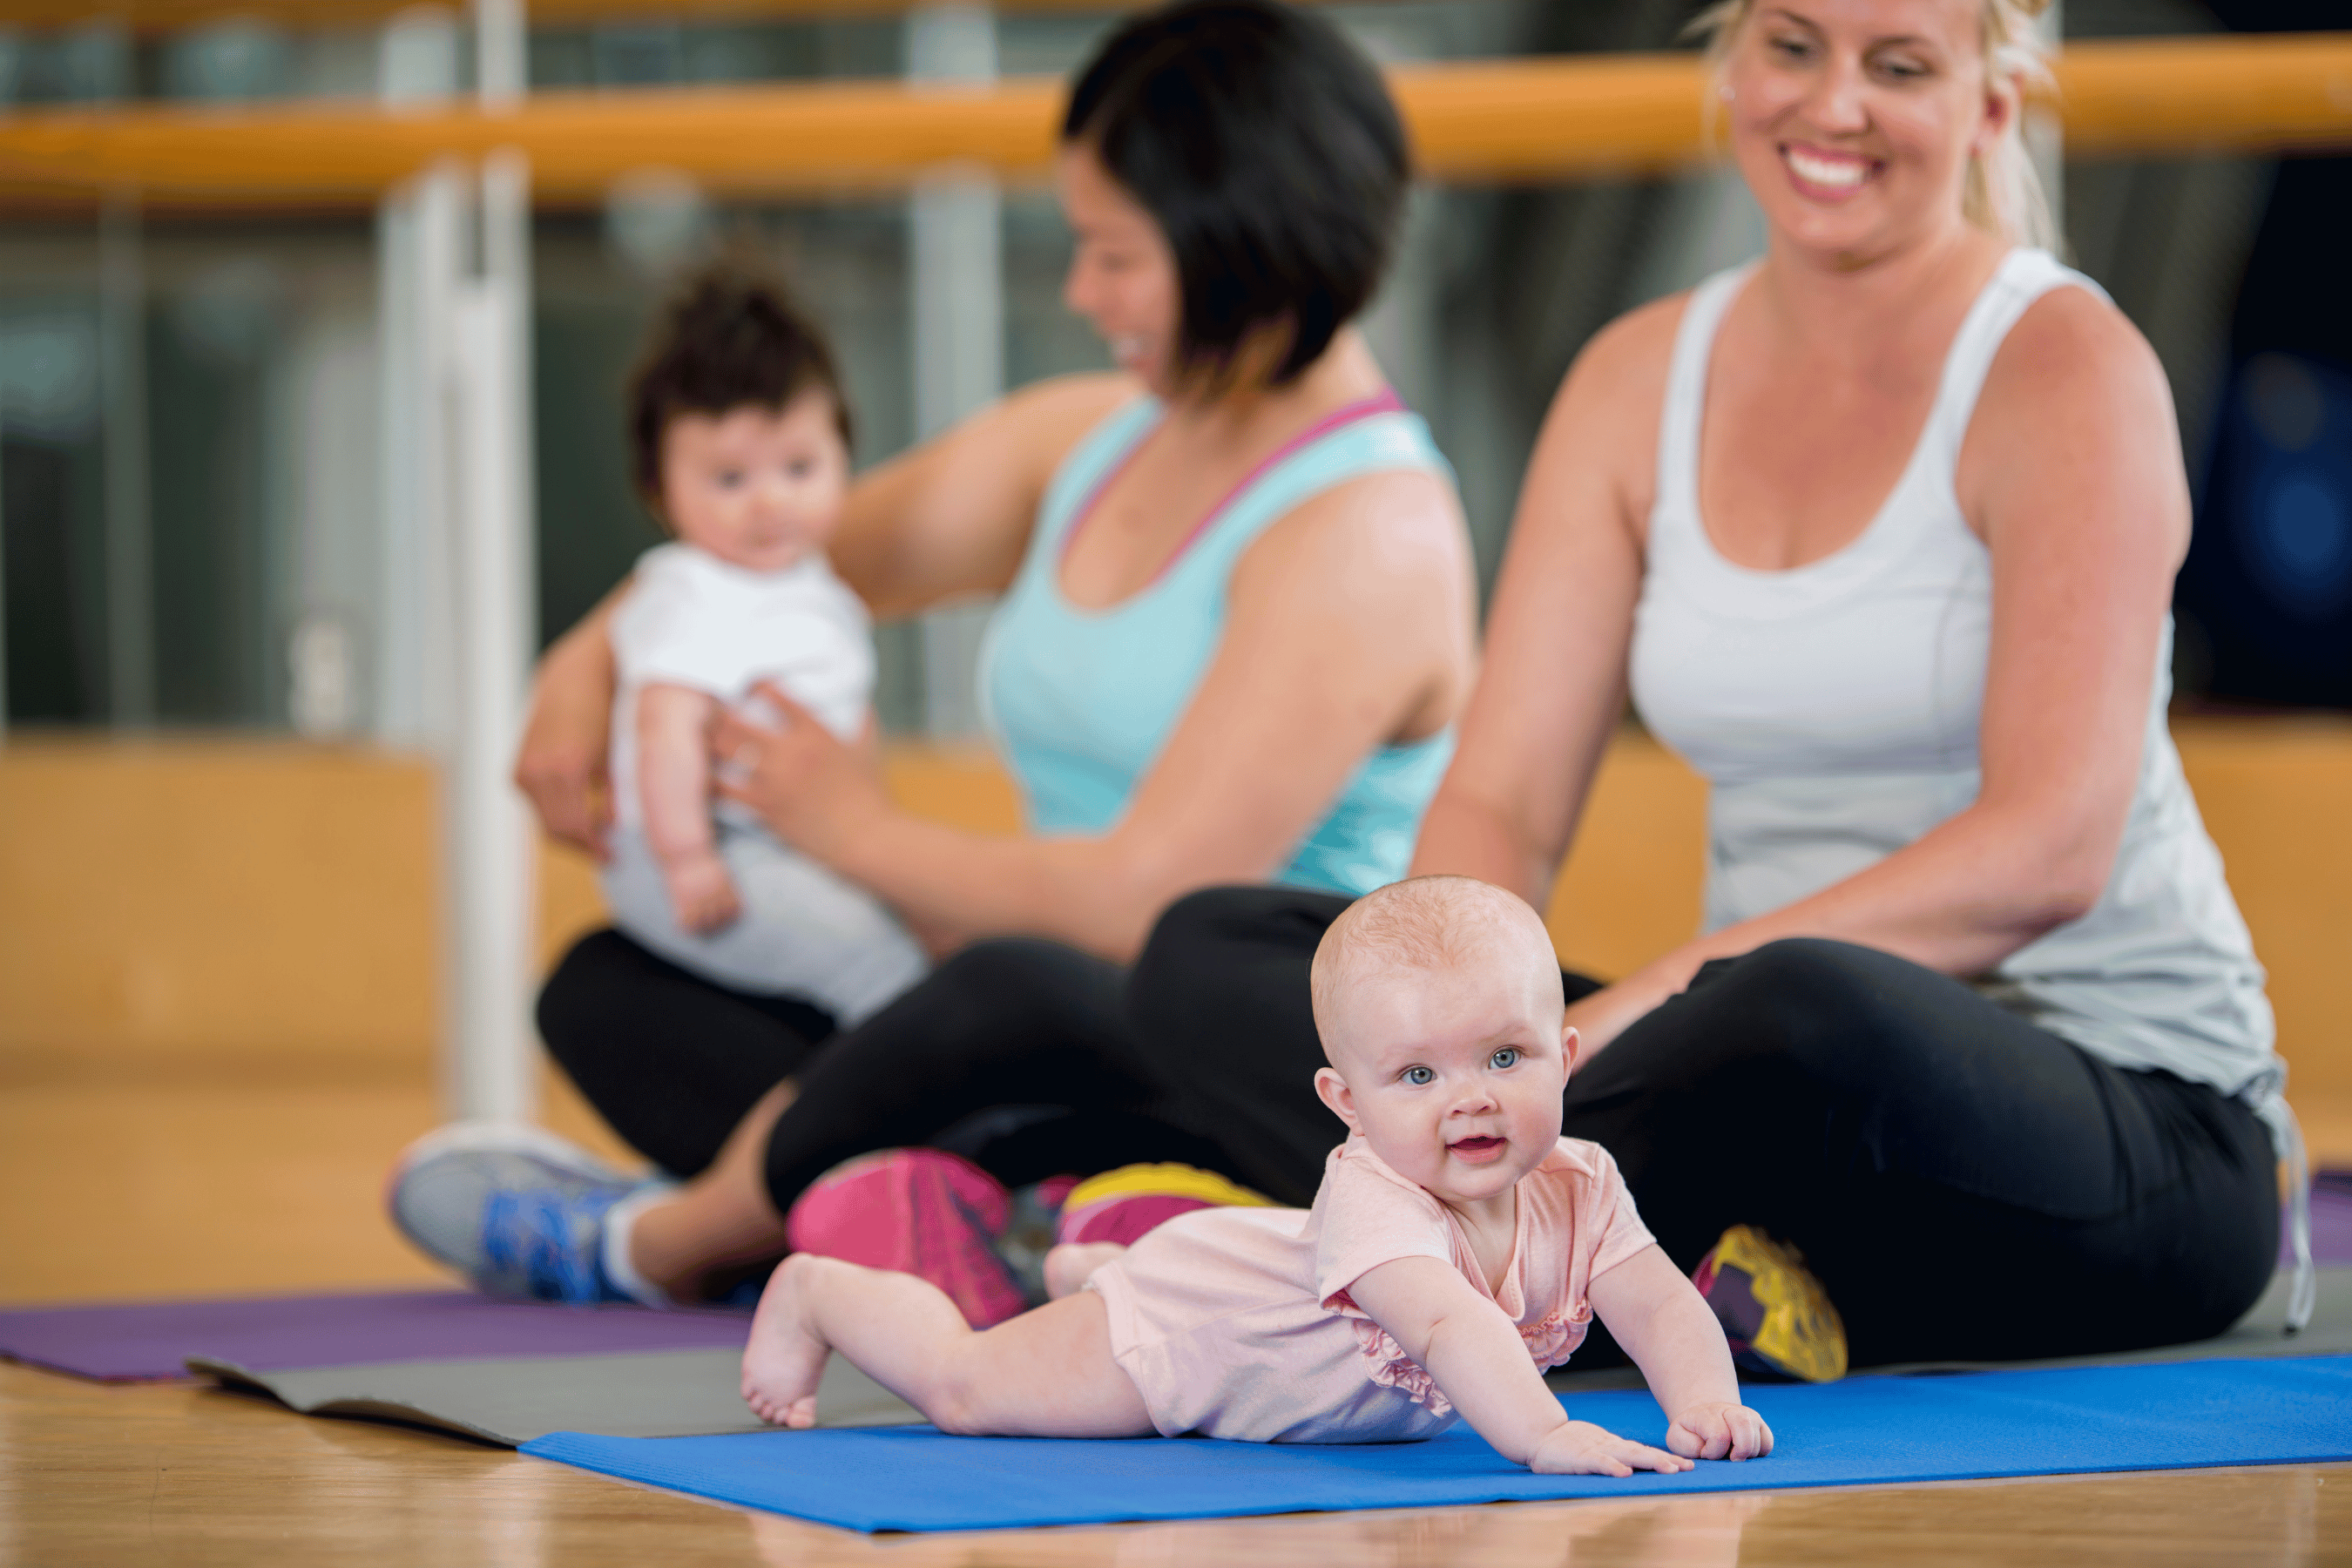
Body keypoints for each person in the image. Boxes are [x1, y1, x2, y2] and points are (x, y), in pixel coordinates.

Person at [1119, 0, 2307, 1372]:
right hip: (1749, 1087)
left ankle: (1360, 1257)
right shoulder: (1636, 380)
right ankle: (1632, 1267)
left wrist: (1673, 988)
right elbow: (1502, 798)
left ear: (1990, 106)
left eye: (1901, 66)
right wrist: (1431, 1025)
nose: (1834, 105)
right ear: (1731, 65)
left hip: (2122, 1121)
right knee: (1216, 953)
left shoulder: (2064, 367)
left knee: (1802, 1009)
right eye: (1794, 48)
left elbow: (2047, 852)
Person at [388, 0, 1478, 1313]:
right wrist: (587, 662)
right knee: (612, 990)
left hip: (1235, 1061)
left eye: (1112, 255)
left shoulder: (1371, 529)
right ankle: (985, 1219)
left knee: (1004, 985)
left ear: (1242, 243)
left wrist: (853, 830)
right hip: (1037, 1032)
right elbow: (771, 552)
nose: (1083, 294)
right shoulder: (1092, 439)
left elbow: (1148, 908)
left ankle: (676, 1240)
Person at [740, 878, 1774, 1473]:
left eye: (1505, 1058)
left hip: (1256, 1275)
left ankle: (1083, 1261)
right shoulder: (1374, 1192)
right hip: (1193, 1337)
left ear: (1568, 1059)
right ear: (1347, 1105)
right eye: (1417, 1074)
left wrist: (1703, 1405)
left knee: (1143, 1274)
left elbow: (1655, 1299)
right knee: (970, 1391)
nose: (1471, 1098)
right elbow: (1452, 1326)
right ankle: (823, 1293)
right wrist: (1546, 1438)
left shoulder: (1583, 1182)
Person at [598, 262, 928, 1030]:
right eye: (729, 479)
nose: (771, 501)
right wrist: (687, 856)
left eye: (800, 467)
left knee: (905, 947)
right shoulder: (690, 590)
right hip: (704, 853)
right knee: (880, 967)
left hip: (788, 843)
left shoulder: (821, 594)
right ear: (659, 488)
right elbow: (665, 728)